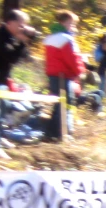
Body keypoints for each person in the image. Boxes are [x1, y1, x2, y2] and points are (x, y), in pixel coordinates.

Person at [0, 9, 33, 159]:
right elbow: (11, 57)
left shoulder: (11, 36)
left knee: (3, 109)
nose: (23, 28)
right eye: (20, 24)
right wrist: (20, 41)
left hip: (1, 81)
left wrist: (25, 41)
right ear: (10, 22)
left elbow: (24, 57)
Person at [43, 10, 85, 141]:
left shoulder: (51, 38)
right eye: (71, 24)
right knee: (66, 103)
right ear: (62, 23)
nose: (73, 27)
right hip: (64, 76)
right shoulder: (66, 39)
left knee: (58, 103)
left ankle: (52, 131)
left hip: (53, 75)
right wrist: (80, 72)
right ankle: (63, 133)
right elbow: (72, 59)